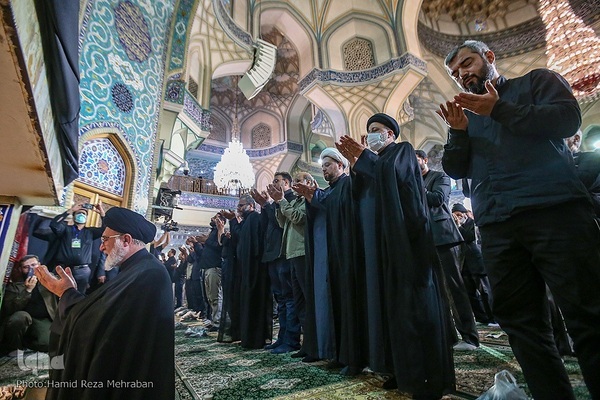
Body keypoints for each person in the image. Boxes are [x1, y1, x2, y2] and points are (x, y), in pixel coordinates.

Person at [438, 40, 600, 399]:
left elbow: (566, 119)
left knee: (587, 317)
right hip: (497, 228)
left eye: (468, 63)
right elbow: (454, 168)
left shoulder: (535, 82)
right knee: (523, 326)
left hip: (554, 213)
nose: (463, 74)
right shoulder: (469, 115)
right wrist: (458, 133)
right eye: (456, 73)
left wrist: (500, 109)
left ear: (489, 58)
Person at [336, 113, 455, 399]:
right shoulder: (373, 162)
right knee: (390, 312)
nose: (371, 136)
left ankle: (426, 377)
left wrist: (365, 158)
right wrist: (356, 167)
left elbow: (396, 181)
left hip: (407, 244)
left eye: (376, 130)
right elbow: (360, 195)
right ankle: (399, 370)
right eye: (368, 132)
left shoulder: (401, 152)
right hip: (381, 246)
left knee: (413, 310)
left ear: (391, 134)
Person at [35, 207, 174, 400]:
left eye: (105, 240)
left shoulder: (150, 274)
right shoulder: (137, 268)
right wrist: (70, 293)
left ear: (125, 240)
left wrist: (66, 293)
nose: (101, 247)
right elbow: (106, 316)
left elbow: (103, 327)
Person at [294, 148, 365, 375]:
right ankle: (337, 353)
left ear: (341, 165)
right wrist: (311, 198)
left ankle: (352, 358)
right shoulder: (330, 190)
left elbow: (341, 208)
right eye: (322, 166)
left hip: (346, 257)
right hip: (329, 257)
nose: (324, 169)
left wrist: (315, 197)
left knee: (347, 305)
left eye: (328, 164)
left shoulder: (347, 184)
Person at [415, 149, 478, 351]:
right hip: (424, 240)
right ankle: (449, 336)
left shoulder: (439, 176)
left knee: (454, 288)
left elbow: (437, 199)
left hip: (443, 238)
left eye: (416, 160)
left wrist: (414, 185)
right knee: (435, 290)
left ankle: (470, 337)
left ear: (424, 160)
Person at [253, 172, 301, 354]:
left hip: (284, 255)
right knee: (280, 299)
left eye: (276, 181)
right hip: (273, 255)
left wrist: (268, 204)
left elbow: (281, 223)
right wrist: (264, 205)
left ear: (286, 183)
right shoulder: (276, 202)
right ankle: (281, 338)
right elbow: (267, 225)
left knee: (289, 299)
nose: (273, 184)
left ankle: (291, 340)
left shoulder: (289, 199)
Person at [269, 172, 315, 360]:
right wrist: (279, 203)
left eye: (299, 181)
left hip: (303, 253)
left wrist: (282, 201)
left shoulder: (307, 199)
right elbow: (283, 222)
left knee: (307, 300)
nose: (295, 184)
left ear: (309, 183)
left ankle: (314, 344)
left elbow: (297, 218)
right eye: (294, 181)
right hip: (291, 254)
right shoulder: (294, 201)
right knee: (299, 302)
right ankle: (306, 345)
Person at [222, 195, 272, 349]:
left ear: (251, 205)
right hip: (245, 269)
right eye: (238, 206)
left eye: (241, 205)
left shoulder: (256, 217)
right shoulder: (245, 221)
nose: (239, 208)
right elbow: (239, 236)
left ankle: (255, 338)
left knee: (255, 302)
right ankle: (246, 335)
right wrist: (232, 221)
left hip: (256, 269)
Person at [0, 255, 57, 355]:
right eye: (26, 267)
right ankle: (14, 347)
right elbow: (9, 310)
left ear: (39, 265)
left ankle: (29, 342)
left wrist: (47, 276)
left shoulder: (48, 281)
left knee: (49, 345)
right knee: (20, 317)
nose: (31, 269)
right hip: (22, 321)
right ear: (21, 269)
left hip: (42, 320)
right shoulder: (14, 287)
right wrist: (28, 290)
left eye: (33, 265)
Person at [48, 202, 106, 293]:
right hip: (64, 269)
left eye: (84, 214)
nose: (81, 215)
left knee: (78, 296)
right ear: (74, 216)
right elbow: (54, 224)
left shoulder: (90, 232)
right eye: (79, 213)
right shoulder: (66, 229)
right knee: (58, 293)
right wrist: (70, 210)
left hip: (82, 272)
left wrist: (101, 212)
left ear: (86, 218)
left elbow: (105, 229)